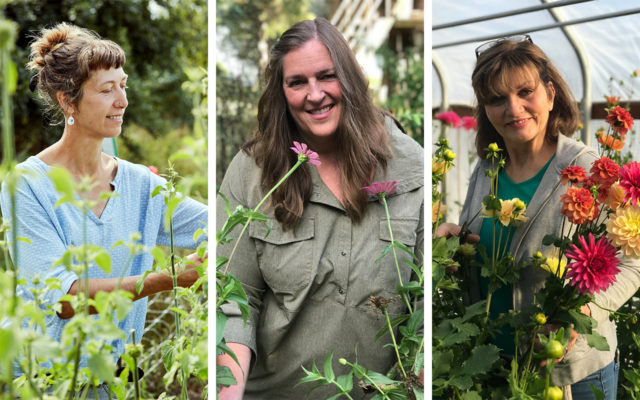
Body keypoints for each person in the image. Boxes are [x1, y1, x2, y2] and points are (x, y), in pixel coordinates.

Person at [216, 18, 424, 399]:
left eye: (327, 76)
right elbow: (234, 298)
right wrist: (227, 392)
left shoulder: (410, 166)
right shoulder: (254, 172)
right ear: (281, 91)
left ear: (350, 79)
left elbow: (429, 299)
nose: (314, 95)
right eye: (297, 82)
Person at [0, 23, 207, 398]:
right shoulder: (27, 185)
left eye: (123, 85)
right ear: (67, 101)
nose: (122, 100)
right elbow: (64, 298)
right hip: (47, 385)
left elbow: (219, 227)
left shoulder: (141, 184)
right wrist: (169, 278)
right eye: (106, 89)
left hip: (115, 384)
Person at [440, 35, 637, 399]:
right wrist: (454, 242)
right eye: (497, 99)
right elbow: (477, 238)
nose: (513, 108)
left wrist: (586, 312)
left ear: (550, 93)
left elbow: (634, 264)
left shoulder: (588, 170)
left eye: (524, 92)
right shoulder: (487, 168)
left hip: (570, 374)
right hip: (498, 364)